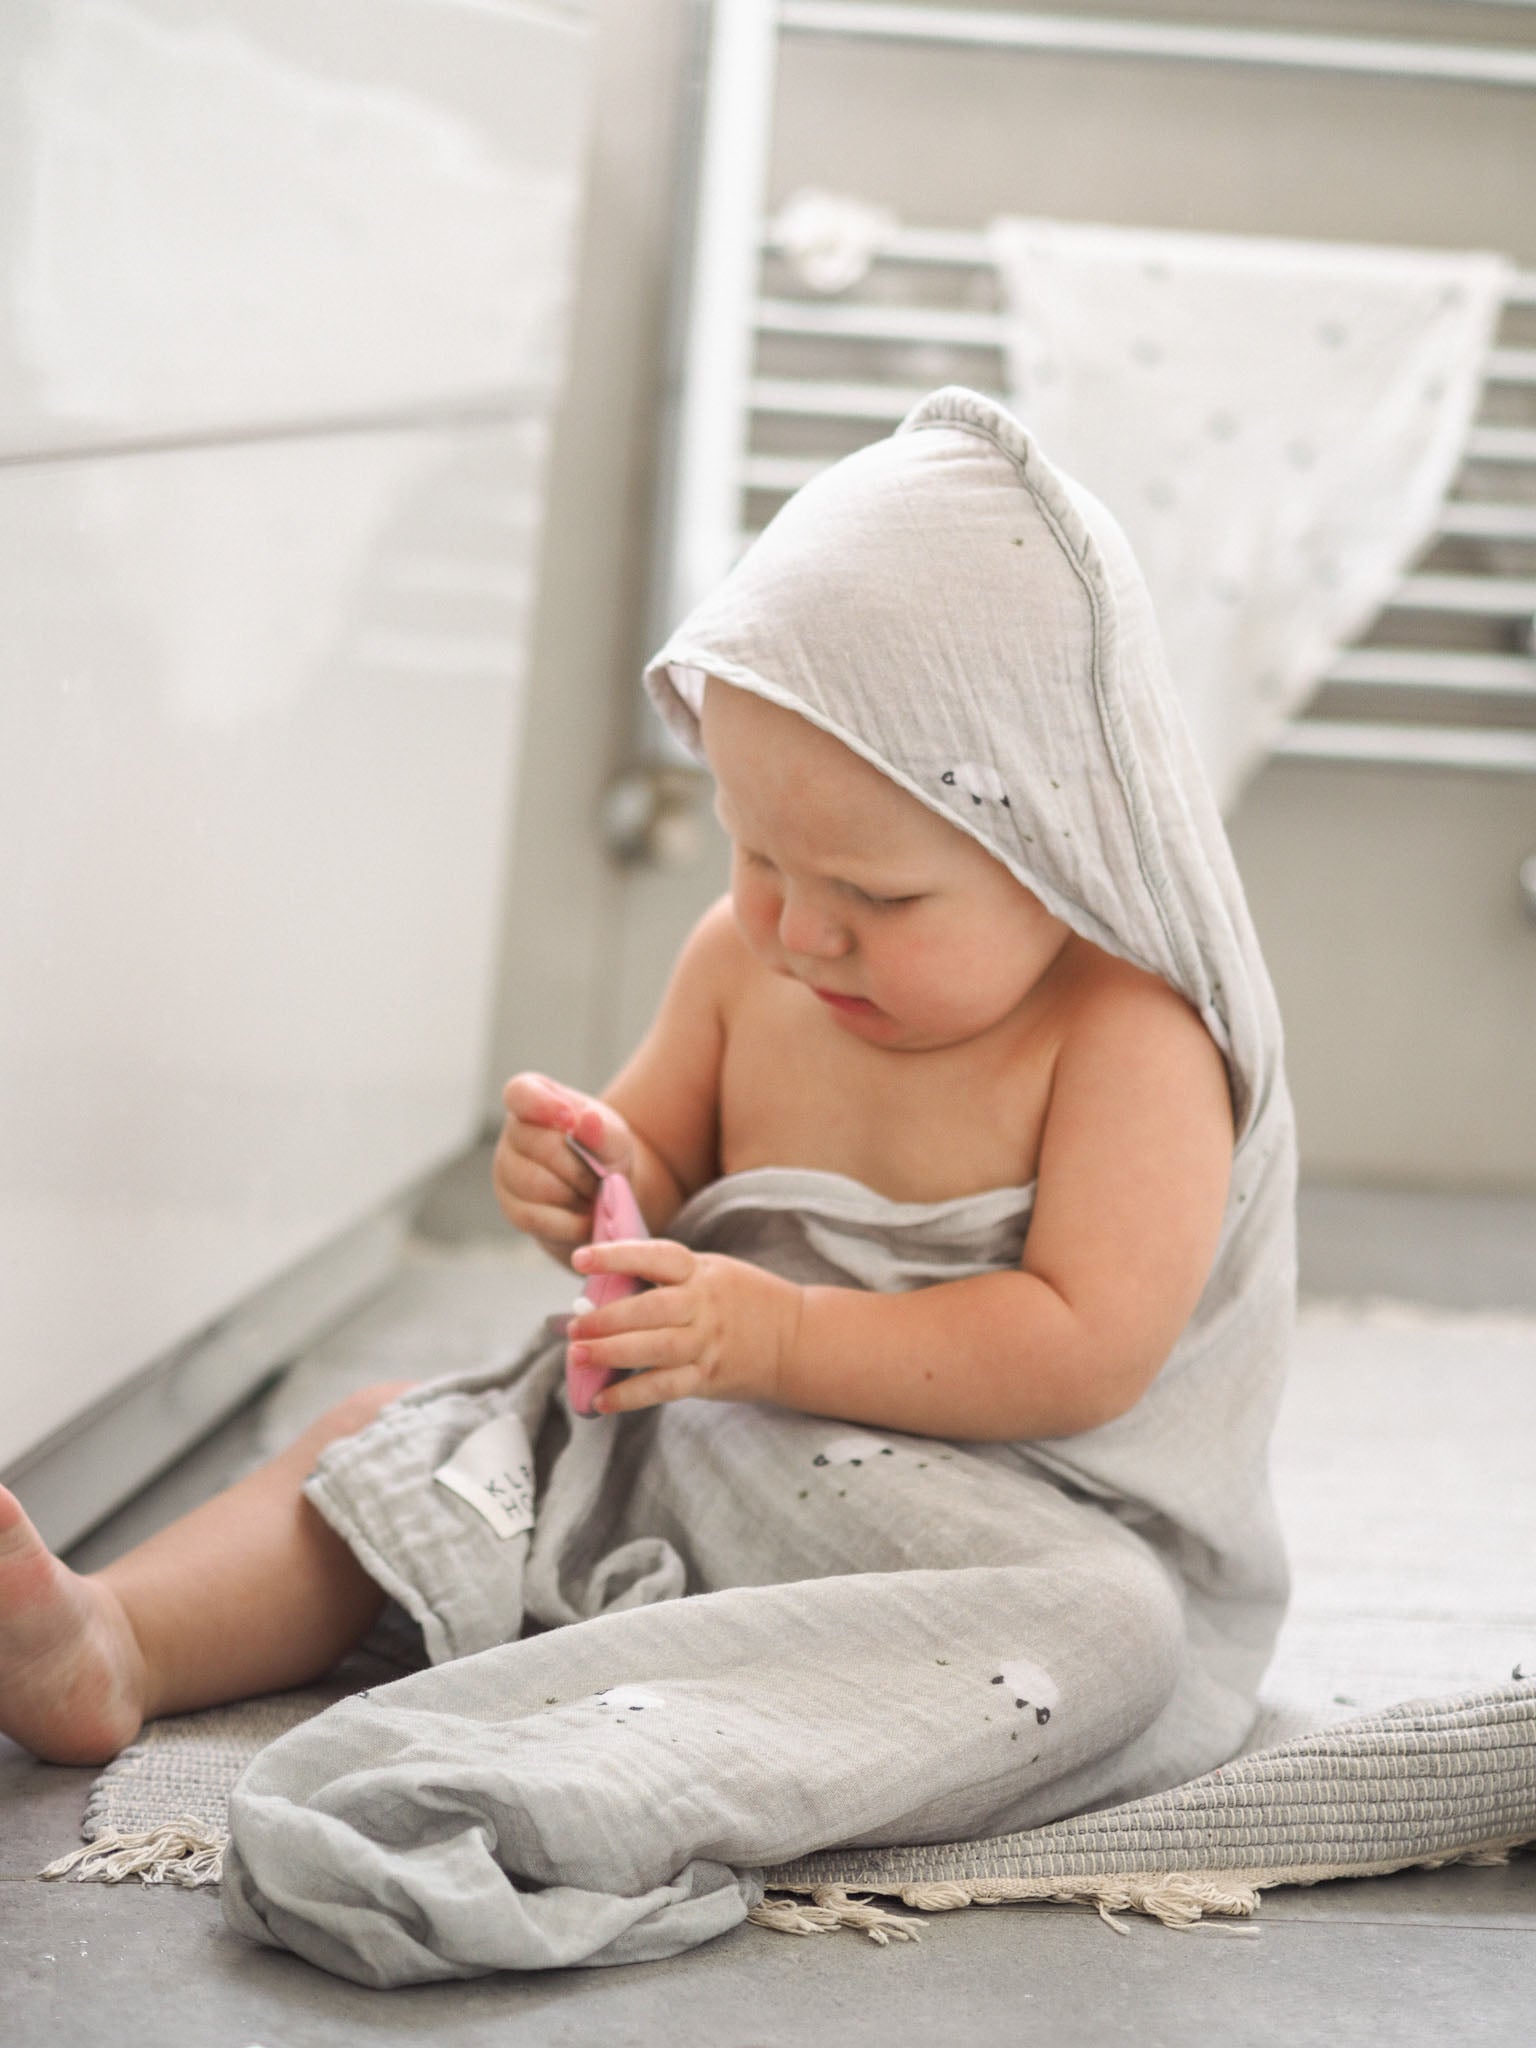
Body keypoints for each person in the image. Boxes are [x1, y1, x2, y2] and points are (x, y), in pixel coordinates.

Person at [2, 390, 1296, 1981]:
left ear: (1074, 845)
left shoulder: (1129, 1037)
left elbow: (1084, 1347)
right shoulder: (748, 964)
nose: (800, 930)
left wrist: (779, 1337)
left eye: (877, 894)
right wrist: (592, 1174)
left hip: (980, 1528)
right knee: (399, 1439)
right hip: (699, 1446)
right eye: (758, 857)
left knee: (1112, 1634)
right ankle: (118, 1640)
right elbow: (658, 1170)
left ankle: (620, 1754)